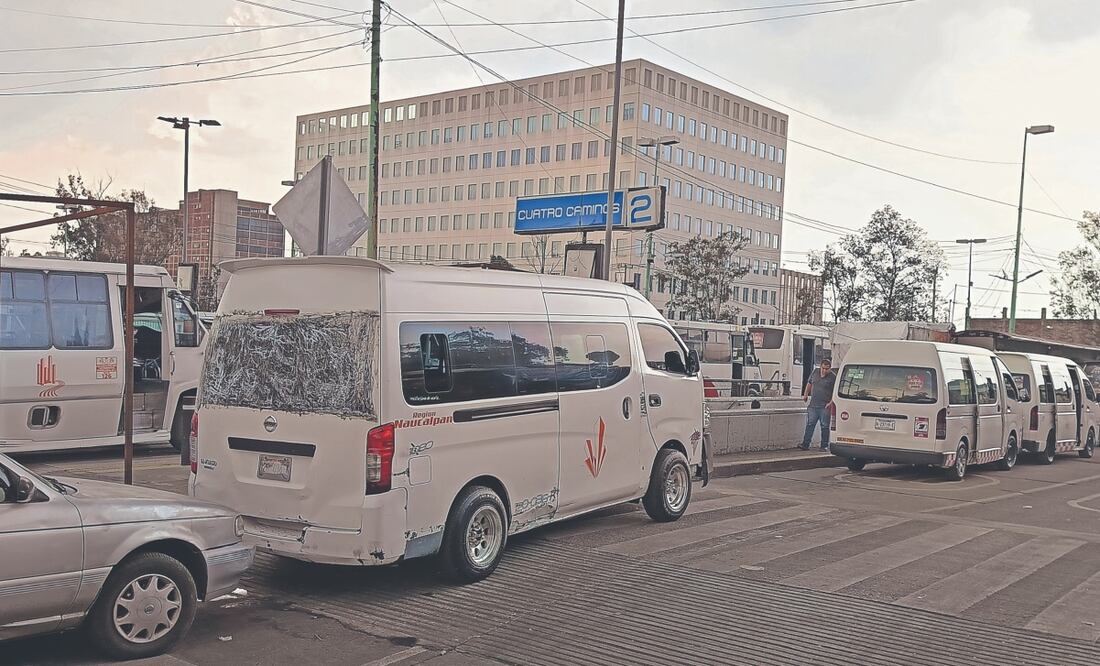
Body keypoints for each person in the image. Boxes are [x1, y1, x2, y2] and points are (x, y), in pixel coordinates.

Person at [800, 358, 836, 451]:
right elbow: (809, 383)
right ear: (820, 367)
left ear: (830, 368)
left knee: (824, 426)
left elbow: (835, 392)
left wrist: (830, 402)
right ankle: (805, 444)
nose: (824, 371)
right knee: (810, 424)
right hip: (813, 405)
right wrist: (805, 394)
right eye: (823, 368)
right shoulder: (815, 372)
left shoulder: (833, 377)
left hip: (825, 406)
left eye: (827, 369)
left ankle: (824, 445)